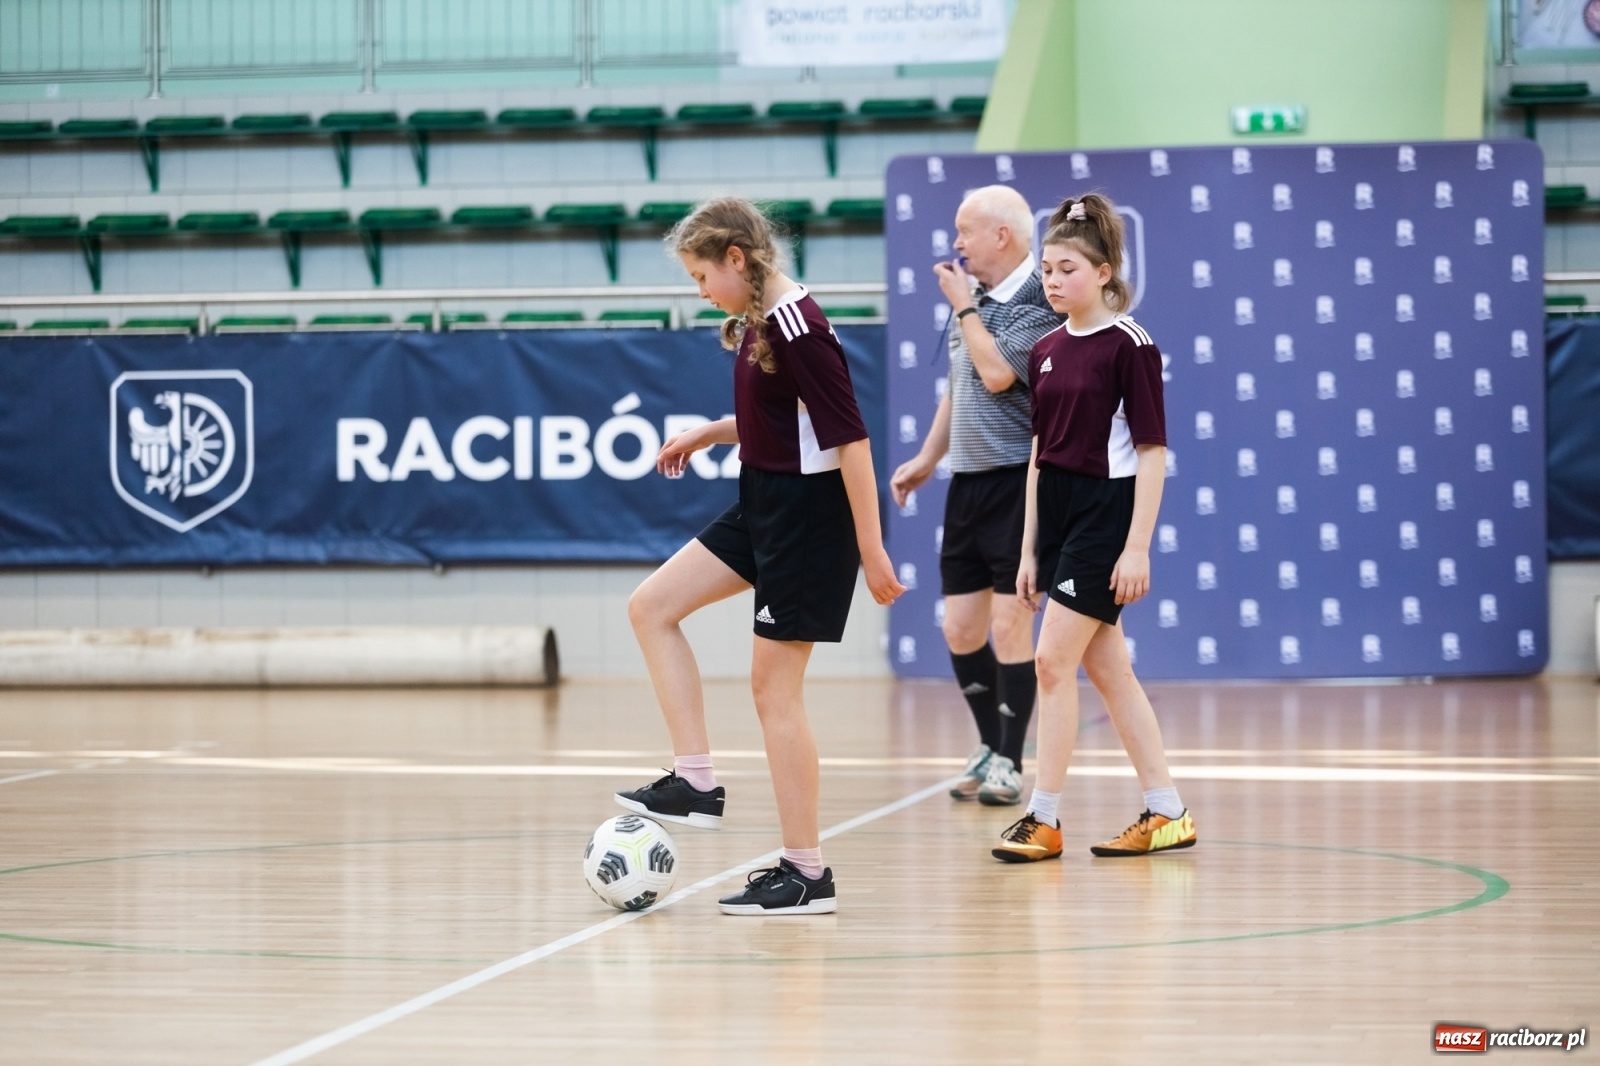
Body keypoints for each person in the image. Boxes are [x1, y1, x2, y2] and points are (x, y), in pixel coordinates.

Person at [616, 197, 905, 914]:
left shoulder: (800, 327)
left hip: (808, 518)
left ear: (736, 258)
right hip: (763, 501)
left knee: (773, 693)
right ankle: (695, 781)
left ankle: (806, 874)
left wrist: (872, 550)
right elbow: (778, 419)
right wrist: (708, 434)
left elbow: (851, 442)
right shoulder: (759, 319)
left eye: (700, 276)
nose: (700, 291)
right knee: (651, 608)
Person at [991, 193, 1197, 863]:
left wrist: (1137, 547)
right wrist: (1029, 548)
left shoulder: (1131, 345)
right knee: (1111, 673)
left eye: (1068, 269)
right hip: (1056, 516)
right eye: (1047, 269)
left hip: (1105, 515)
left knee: (1051, 662)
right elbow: (1038, 452)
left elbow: (1152, 451)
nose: (1053, 281)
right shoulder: (1046, 349)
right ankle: (1167, 812)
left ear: (1105, 272)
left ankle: (1043, 818)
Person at [890, 186, 1060, 807]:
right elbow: (960, 386)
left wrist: (963, 306)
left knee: (1012, 625)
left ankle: (1011, 762)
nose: (957, 244)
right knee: (961, 629)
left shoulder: (1038, 300)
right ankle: (990, 744)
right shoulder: (977, 302)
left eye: (966, 232)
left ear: (1002, 236)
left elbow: (996, 374)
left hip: (1019, 483)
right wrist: (926, 459)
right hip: (967, 483)